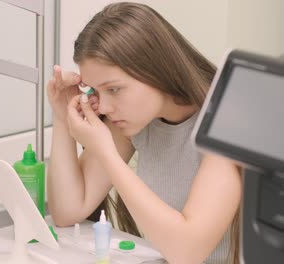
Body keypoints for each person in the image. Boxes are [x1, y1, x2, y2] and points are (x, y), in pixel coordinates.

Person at [47, 2, 241, 264]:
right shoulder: (135, 120)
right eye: (94, 91)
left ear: (156, 70)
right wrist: (61, 117)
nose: (103, 107)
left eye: (114, 89)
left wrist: (107, 154)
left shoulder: (225, 123)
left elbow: (187, 252)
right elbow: (67, 211)